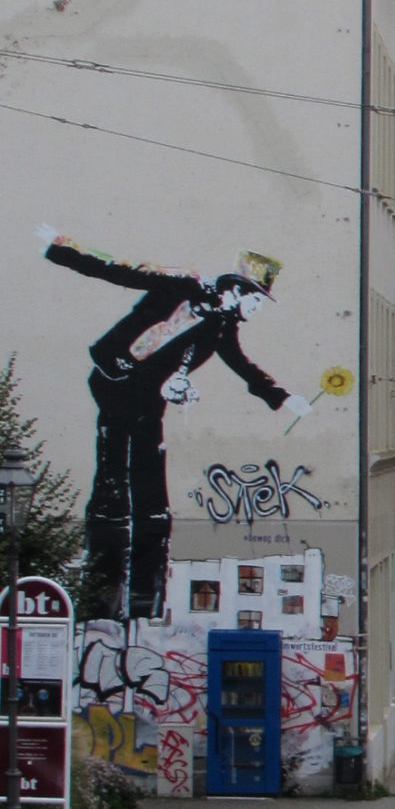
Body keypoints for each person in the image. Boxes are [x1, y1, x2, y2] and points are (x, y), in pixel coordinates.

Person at [40, 229, 309, 619]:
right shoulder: (182, 284)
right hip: (116, 379)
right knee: (114, 476)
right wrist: (61, 250)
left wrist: (279, 395)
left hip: (148, 398)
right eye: (256, 299)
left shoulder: (221, 324)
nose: (258, 309)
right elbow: (121, 271)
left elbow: (238, 361)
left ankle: (145, 600)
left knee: (150, 487)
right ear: (236, 289)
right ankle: (104, 593)